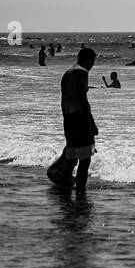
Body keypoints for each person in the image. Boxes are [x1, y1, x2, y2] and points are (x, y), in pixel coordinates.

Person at [48, 47, 99, 191]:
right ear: (88, 60)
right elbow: (83, 101)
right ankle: (81, 192)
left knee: (72, 158)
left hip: (68, 118)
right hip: (80, 118)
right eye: (93, 61)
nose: (92, 65)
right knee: (85, 160)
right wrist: (92, 123)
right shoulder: (82, 72)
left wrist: (66, 119)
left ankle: (65, 187)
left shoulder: (67, 73)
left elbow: (63, 100)